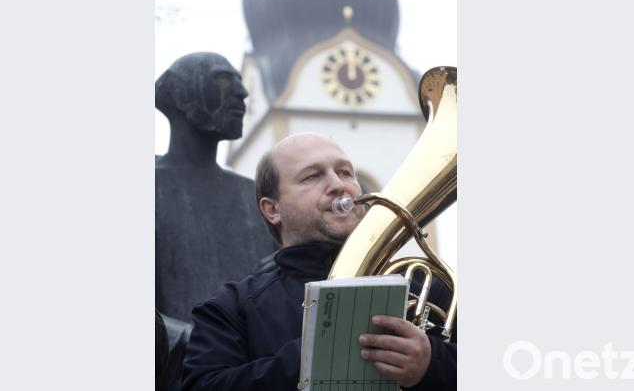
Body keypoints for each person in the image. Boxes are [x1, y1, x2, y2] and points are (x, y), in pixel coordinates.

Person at [181, 133, 456, 391]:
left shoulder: (426, 286)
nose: (339, 185)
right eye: (312, 176)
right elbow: (203, 384)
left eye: (346, 172)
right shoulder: (230, 307)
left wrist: (432, 362)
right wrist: (309, 356)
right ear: (272, 209)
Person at [155, 52, 275, 323]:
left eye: (240, 81)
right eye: (222, 80)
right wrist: (202, 344)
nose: (242, 93)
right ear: (180, 95)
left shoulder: (256, 198)